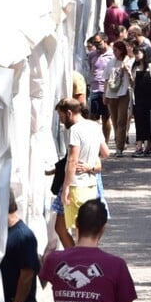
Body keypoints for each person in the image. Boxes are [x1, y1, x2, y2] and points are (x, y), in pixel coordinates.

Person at [56, 98, 106, 241]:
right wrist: (91, 165)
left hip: (76, 186)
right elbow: (105, 152)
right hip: (91, 186)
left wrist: (65, 187)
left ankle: (79, 259)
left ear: (69, 113)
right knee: (86, 229)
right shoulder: (94, 126)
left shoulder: (75, 130)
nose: (61, 121)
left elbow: (72, 160)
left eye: (61, 116)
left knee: (78, 231)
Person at [103, 40, 133, 156]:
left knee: (122, 120)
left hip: (123, 93)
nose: (114, 52)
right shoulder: (111, 63)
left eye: (116, 50)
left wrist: (128, 71)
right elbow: (106, 79)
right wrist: (104, 94)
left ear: (121, 51)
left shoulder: (128, 62)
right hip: (112, 94)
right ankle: (118, 141)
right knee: (114, 121)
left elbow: (132, 81)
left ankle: (119, 147)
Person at [131, 46, 151, 157]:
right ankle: (139, 146)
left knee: (150, 123)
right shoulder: (135, 67)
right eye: (136, 53)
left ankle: (149, 146)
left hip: (150, 98)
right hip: (138, 98)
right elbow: (133, 84)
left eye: (138, 53)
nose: (137, 55)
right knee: (139, 122)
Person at [87, 32, 113, 142]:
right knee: (93, 117)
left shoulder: (112, 55)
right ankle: (95, 142)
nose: (96, 45)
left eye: (98, 42)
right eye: (94, 43)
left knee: (106, 117)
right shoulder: (92, 55)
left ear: (105, 40)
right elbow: (90, 68)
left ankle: (105, 141)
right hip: (94, 88)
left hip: (107, 89)